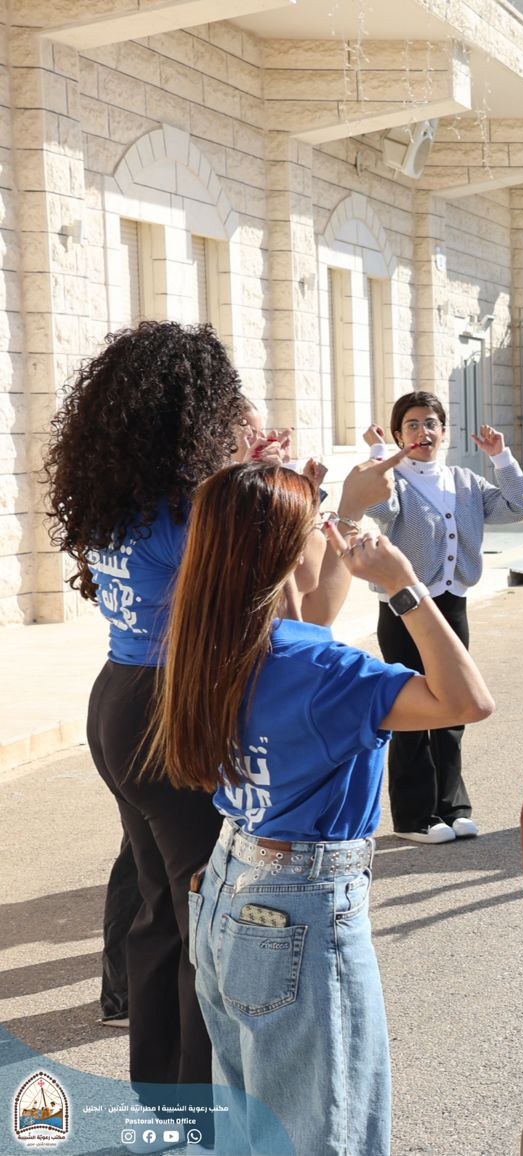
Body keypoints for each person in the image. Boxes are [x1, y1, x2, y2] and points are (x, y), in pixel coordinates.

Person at [153, 461, 493, 1156]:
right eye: (316, 529)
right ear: (286, 554)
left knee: (255, 1127)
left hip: (229, 887)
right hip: (299, 906)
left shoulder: (210, 643)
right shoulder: (326, 676)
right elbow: (466, 700)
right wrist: (403, 585)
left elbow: (312, 611)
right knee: (325, 1134)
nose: (326, 539)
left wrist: (343, 512)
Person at [39, 321, 245, 1099]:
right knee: (202, 918)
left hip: (118, 701)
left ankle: (162, 1100)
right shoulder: (188, 513)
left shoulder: (118, 503)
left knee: (163, 906)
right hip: (166, 711)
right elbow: (252, 612)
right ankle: (195, 1110)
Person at [344, 390, 523, 843]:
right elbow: (379, 507)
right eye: (412, 424)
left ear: (444, 431)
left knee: (454, 703)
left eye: (431, 423)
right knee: (410, 707)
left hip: (451, 601)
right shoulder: (397, 482)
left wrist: (501, 457)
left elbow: (519, 507)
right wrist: (379, 454)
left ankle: (453, 806)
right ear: (398, 436)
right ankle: (414, 817)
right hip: (403, 606)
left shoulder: (464, 481)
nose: (423, 432)